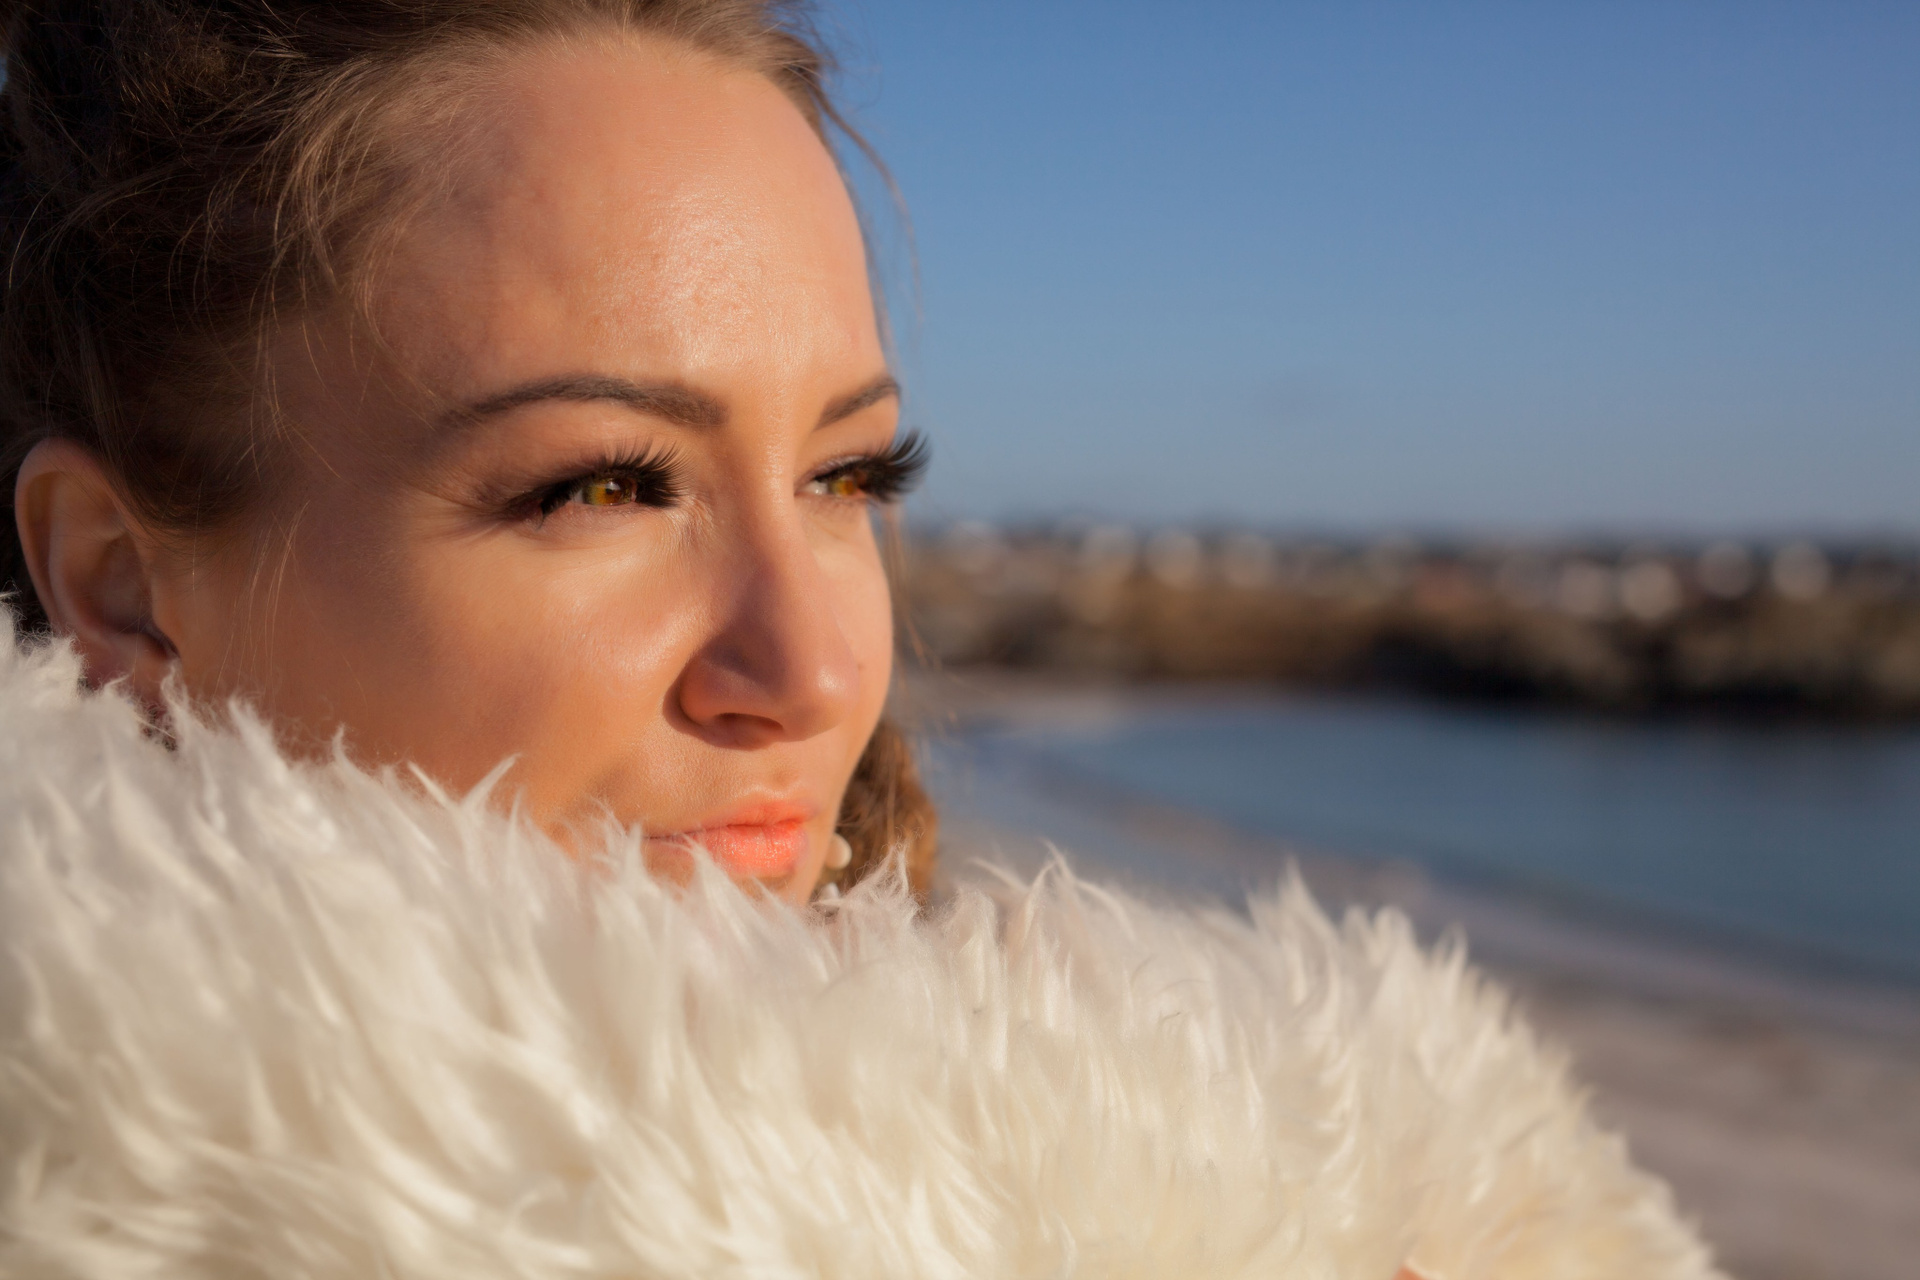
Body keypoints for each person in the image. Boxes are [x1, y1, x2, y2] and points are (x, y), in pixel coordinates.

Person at [0, 2, 1721, 1276]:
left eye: (847, 475)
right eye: (605, 485)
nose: (820, 669)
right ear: (121, 587)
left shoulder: (1345, 1178)